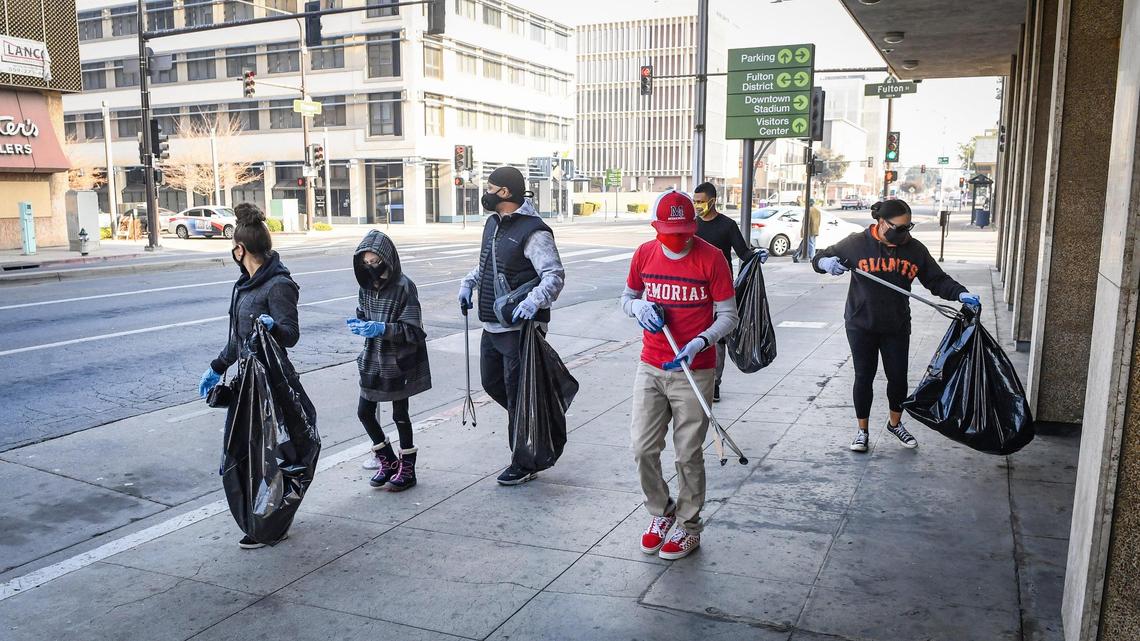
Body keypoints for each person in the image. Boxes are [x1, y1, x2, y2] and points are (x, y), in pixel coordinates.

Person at [621, 189, 739, 561]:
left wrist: (702, 342)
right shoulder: (644, 254)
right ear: (655, 226)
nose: (678, 239)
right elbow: (626, 298)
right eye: (670, 231)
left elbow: (728, 316)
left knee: (688, 454)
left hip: (695, 369)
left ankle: (689, 526)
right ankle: (661, 511)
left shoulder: (712, 258)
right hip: (651, 365)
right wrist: (638, 307)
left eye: (685, 231)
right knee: (642, 447)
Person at [812, 199, 981, 453]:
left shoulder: (914, 249)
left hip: (896, 324)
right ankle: (862, 431)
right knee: (863, 376)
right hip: (861, 324)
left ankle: (895, 423)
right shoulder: (856, 243)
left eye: (908, 227)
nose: (904, 233)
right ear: (881, 223)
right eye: (899, 228)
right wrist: (826, 264)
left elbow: (937, 280)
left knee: (898, 378)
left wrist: (960, 294)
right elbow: (820, 257)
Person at [198, 203, 300, 549]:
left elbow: (291, 334)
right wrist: (216, 367)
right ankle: (260, 518)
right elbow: (238, 339)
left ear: (240, 249)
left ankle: (272, 523)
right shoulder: (245, 285)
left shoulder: (278, 286)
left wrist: (274, 329)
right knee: (244, 454)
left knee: (270, 457)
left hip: (271, 384)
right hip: (247, 384)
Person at [458, 166, 566, 486]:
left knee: (519, 395)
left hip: (521, 329)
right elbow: (489, 265)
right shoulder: (493, 224)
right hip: (493, 324)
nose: (485, 193)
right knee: (493, 384)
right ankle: (534, 419)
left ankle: (524, 460)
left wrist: (533, 302)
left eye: (489, 187)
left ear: (504, 193)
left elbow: (554, 276)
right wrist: (468, 283)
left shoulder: (534, 231)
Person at [350, 230, 431, 491]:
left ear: (387, 259)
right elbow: (363, 313)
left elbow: (413, 331)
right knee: (365, 412)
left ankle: (408, 467)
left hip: (398, 360)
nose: (371, 267)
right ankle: (387, 459)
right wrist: (361, 323)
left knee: (400, 414)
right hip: (372, 358)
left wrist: (382, 328)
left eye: (374, 262)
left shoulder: (404, 287)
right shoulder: (365, 286)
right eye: (366, 263)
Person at [693, 181, 766, 402]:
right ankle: (695, 377)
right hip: (695, 291)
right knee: (695, 335)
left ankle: (714, 382)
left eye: (701, 202)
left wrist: (756, 256)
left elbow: (743, 252)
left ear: (713, 201)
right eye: (695, 202)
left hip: (719, 291)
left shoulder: (727, 225)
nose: (697, 206)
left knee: (717, 339)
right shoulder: (692, 225)